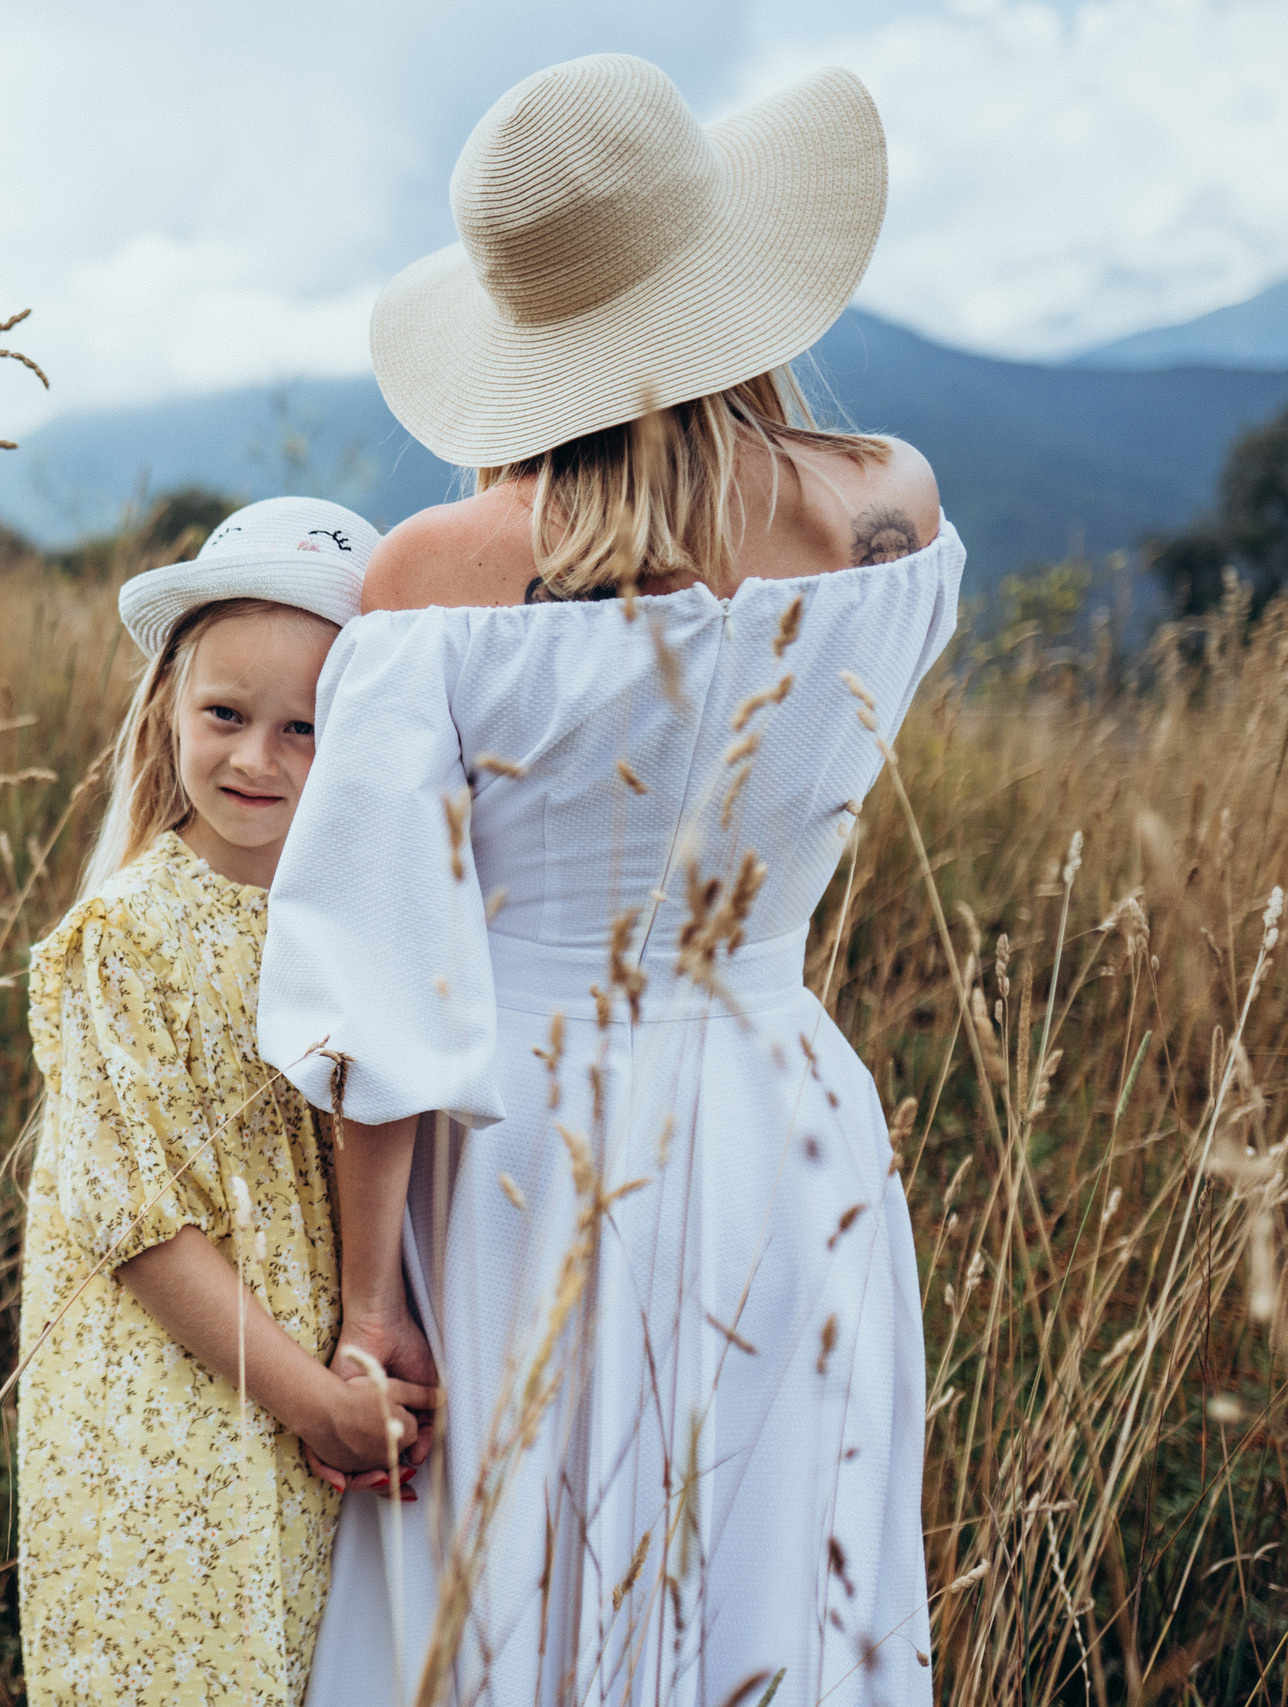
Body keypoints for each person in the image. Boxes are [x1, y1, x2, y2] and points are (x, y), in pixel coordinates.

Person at [258, 55, 955, 1706]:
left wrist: (372, 1304)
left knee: (517, 1582)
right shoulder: (891, 513)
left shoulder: (439, 574)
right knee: (780, 1573)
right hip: (792, 1127)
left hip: (528, 1152)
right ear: (728, 272)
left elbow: (383, 965)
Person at [17, 498, 438, 1706]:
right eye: (226, 716)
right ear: (166, 709)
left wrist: (354, 1358)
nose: (257, 759)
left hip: (313, 1379)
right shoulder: (129, 938)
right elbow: (136, 1225)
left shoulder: (357, 920)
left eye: (305, 728)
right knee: (184, 1664)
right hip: (168, 1401)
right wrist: (318, 1403)